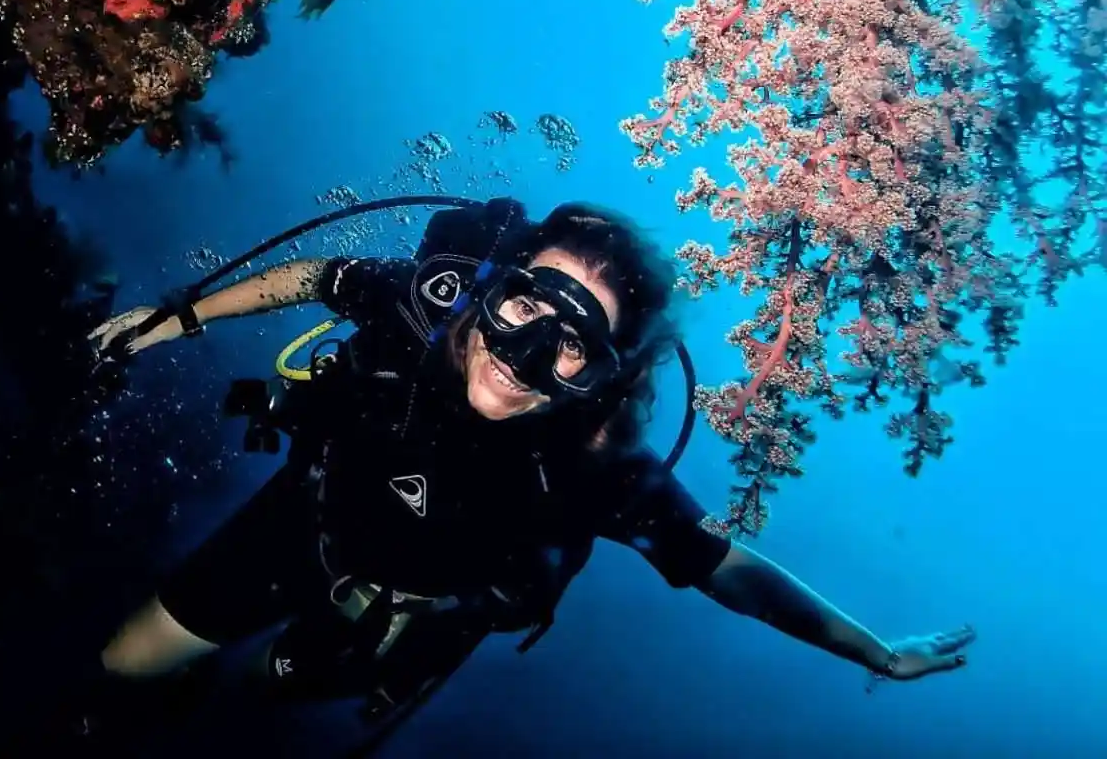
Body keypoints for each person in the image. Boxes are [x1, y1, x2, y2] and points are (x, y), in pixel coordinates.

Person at [80, 199, 973, 745]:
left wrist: (875, 652)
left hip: (405, 614)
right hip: (302, 523)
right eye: (522, 306)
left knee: (255, 711)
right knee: (122, 669)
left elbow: (724, 567)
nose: (524, 355)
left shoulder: (594, 469)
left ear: (605, 378)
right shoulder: (422, 308)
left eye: (574, 347)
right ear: (487, 289)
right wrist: (172, 323)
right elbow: (322, 276)